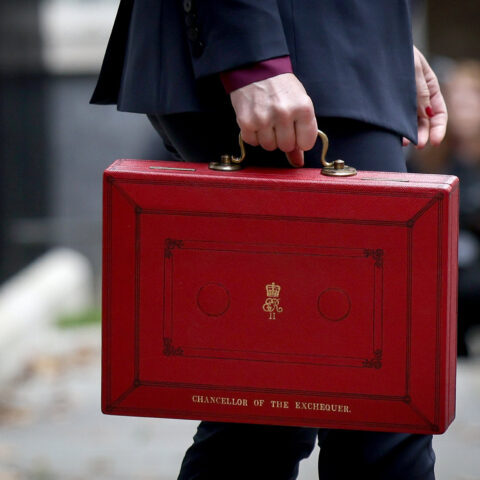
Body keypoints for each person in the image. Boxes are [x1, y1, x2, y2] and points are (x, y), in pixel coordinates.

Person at [91, 1, 448, 478]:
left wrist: (380, 40)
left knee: (272, 407)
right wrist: (252, 59)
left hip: (321, 49)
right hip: (275, 55)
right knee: (371, 401)